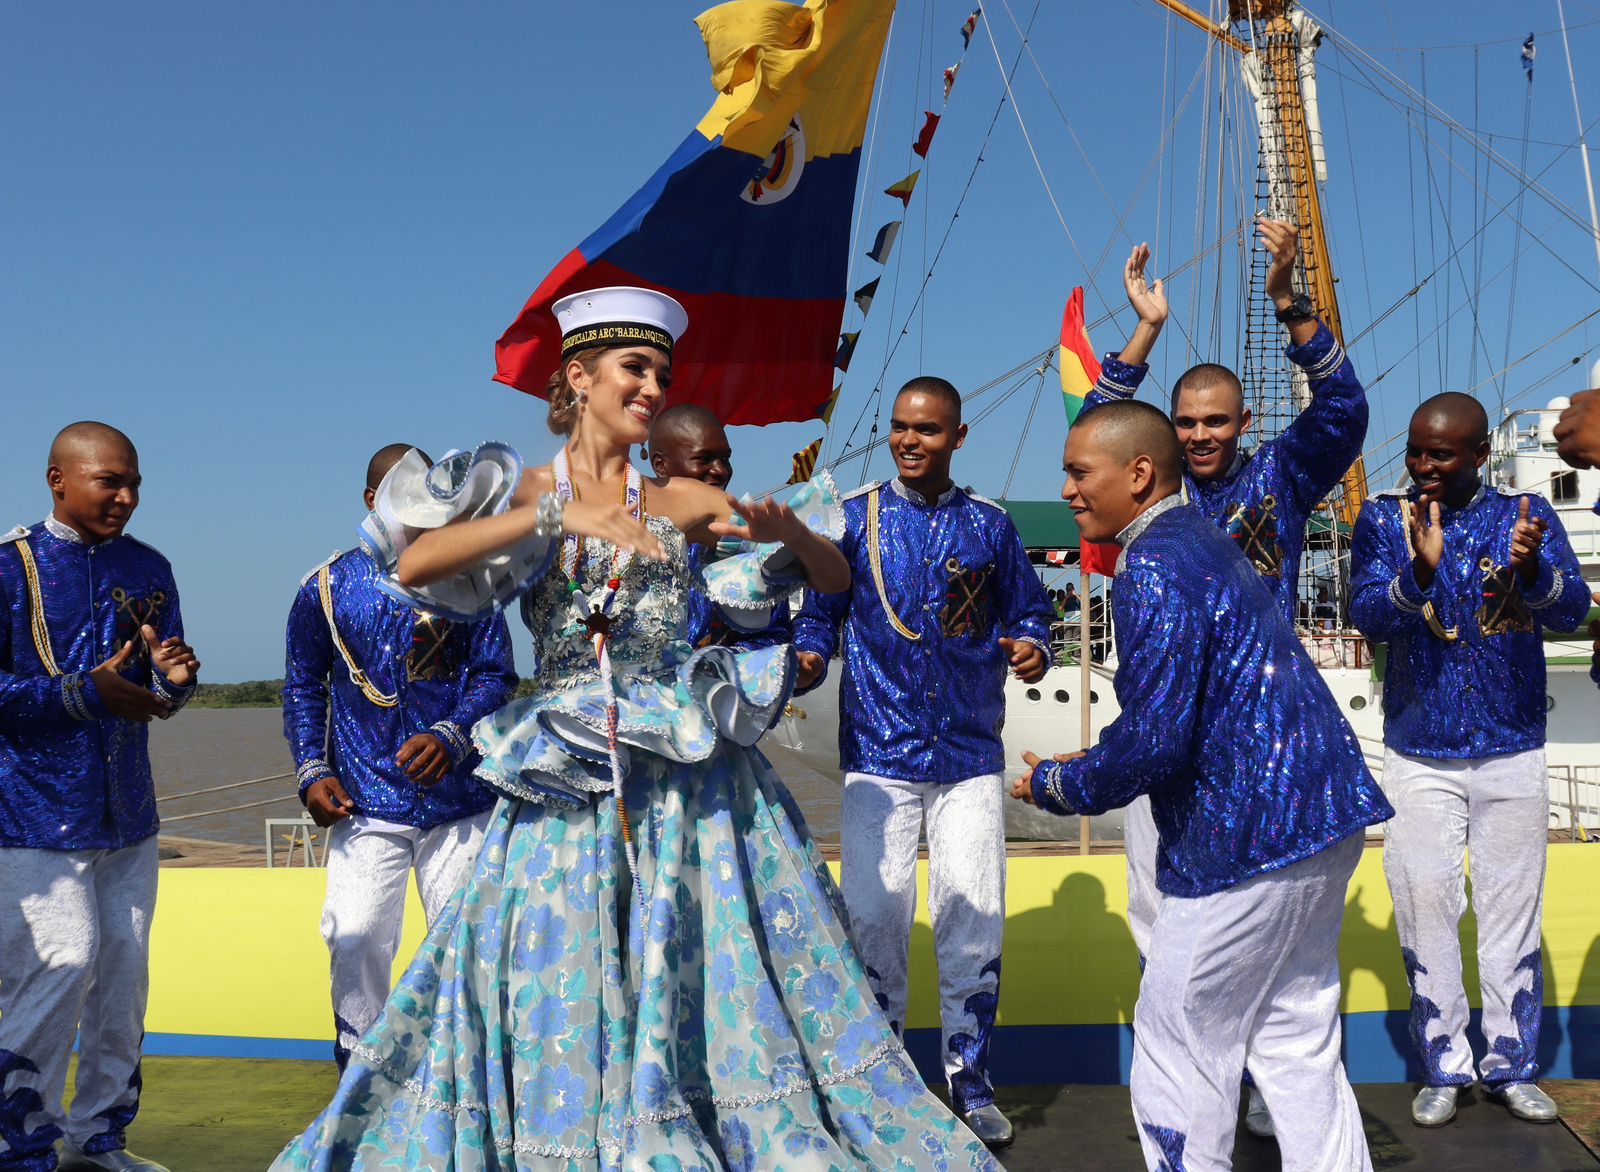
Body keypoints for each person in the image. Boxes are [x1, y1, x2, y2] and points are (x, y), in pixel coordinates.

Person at [271, 287, 1002, 1170]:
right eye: (635, 369)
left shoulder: (682, 499)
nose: (653, 386)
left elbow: (836, 572)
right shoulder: (529, 490)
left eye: (662, 371)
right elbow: (415, 561)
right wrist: (552, 517)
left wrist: (794, 539)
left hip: (685, 765)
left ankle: (693, 1108)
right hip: (568, 765)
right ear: (578, 378)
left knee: (698, 955)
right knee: (571, 959)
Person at [1014, 399, 1391, 1171]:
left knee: (1180, 1037)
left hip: (1243, 839)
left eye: (1080, 473)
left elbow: (1154, 741)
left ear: (1140, 475)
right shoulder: (1202, 540)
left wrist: (1059, 783)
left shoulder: (1151, 566)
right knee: (1293, 1039)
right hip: (1327, 815)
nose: (1068, 490)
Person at [1086, 222, 1370, 1139]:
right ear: (1166, 440)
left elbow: (1343, 414)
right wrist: (1142, 333)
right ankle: (1220, 1070)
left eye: (1218, 421)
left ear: (1244, 424)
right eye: (1190, 423)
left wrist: (1288, 297)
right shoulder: (1149, 495)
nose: (1203, 435)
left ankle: (1218, 1076)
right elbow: (1094, 437)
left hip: (1259, 749)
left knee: (1235, 969)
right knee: (1156, 914)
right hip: (1162, 740)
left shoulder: (1279, 480)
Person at [791, 377, 1055, 1149]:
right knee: (874, 921)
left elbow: (1030, 609)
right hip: (879, 756)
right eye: (902, 428)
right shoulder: (851, 521)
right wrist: (808, 655)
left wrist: (1033, 645)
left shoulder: (992, 526)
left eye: (929, 431)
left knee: (972, 921)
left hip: (970, 756)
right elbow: (819, 614)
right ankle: (883, 1085)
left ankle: (970, 1082)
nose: (912, 441)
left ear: (958, 437)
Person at [1350, 392, 1588, 1127]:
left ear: (1481, 454)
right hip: (1420, 753)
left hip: (1512, 748)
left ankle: (1512, 1065)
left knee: (1510, 915)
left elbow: (1572, 610)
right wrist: (1418, 574)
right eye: (1416, 450)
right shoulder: (1385, 520)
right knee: (1426, 911)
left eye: (1441, 453)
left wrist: (1534, 573)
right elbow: (1367, 615)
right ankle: (1444, 1066)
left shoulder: (1528, 516)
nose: (1423, 465)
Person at [0, 422, 202, 1172]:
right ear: (58, 478)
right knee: (57, 970)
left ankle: (100, 1136)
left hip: (129, 813)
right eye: (109, 481)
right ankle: (20, 1145)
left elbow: (159, 688)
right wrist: (85, 693)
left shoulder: (150, 567)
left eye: (135, 483)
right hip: (30, 817)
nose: (126, 496)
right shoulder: (7, 568)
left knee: (122, 975)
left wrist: (176, 683)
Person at [282, 443, 517, 1070]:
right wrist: (312, 770)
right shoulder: (325, 589)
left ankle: (467, 1080)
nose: (422, 508)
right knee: (356, 941)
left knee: (468, 939)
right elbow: (303, 686)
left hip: (461, 802)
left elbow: (495, 676)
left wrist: (452, 735)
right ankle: (364, 1080)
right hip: (364, 802)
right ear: (371, 502)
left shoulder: (473, 576)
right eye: (402, 496)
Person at [646, 404, 791, 651]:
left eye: (725, 459)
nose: (721, 471)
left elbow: (773, 636)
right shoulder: (624, 536)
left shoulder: (743, 541)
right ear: (660, 464)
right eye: (704, 458)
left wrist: (718, 663)